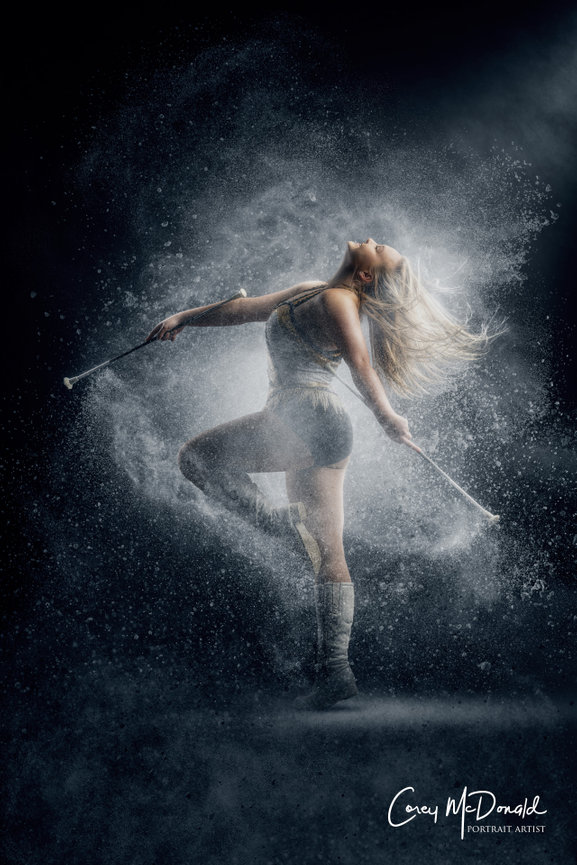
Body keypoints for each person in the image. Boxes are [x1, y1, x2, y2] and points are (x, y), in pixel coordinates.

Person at [146, 238, 488, 710]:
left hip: (306, 416)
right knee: (327, 550)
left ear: (365, 275)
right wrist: (186, 317)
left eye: (380, 250)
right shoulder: (313, 289)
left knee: (196, 458)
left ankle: (276, 523)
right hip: (321, 429)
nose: (375, 240)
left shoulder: (338, 299)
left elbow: (361, 363)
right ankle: (337, 673)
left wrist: (387, 415)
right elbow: (244, 309)